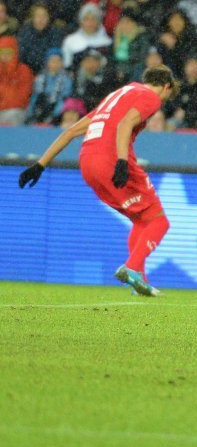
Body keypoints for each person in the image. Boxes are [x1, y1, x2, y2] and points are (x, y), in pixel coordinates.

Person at [18, 65, 179, 298]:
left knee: (141, 219)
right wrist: (122, 162)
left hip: (88, 163)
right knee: (159, 222)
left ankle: (139, 280)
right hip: (111, 158)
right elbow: (125, 125)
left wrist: (40, 164)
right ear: (166, 86)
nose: (164, 100)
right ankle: (132, 268)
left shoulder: (116, 96)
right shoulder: (150, 97)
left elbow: (72, 131)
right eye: (167, 94)